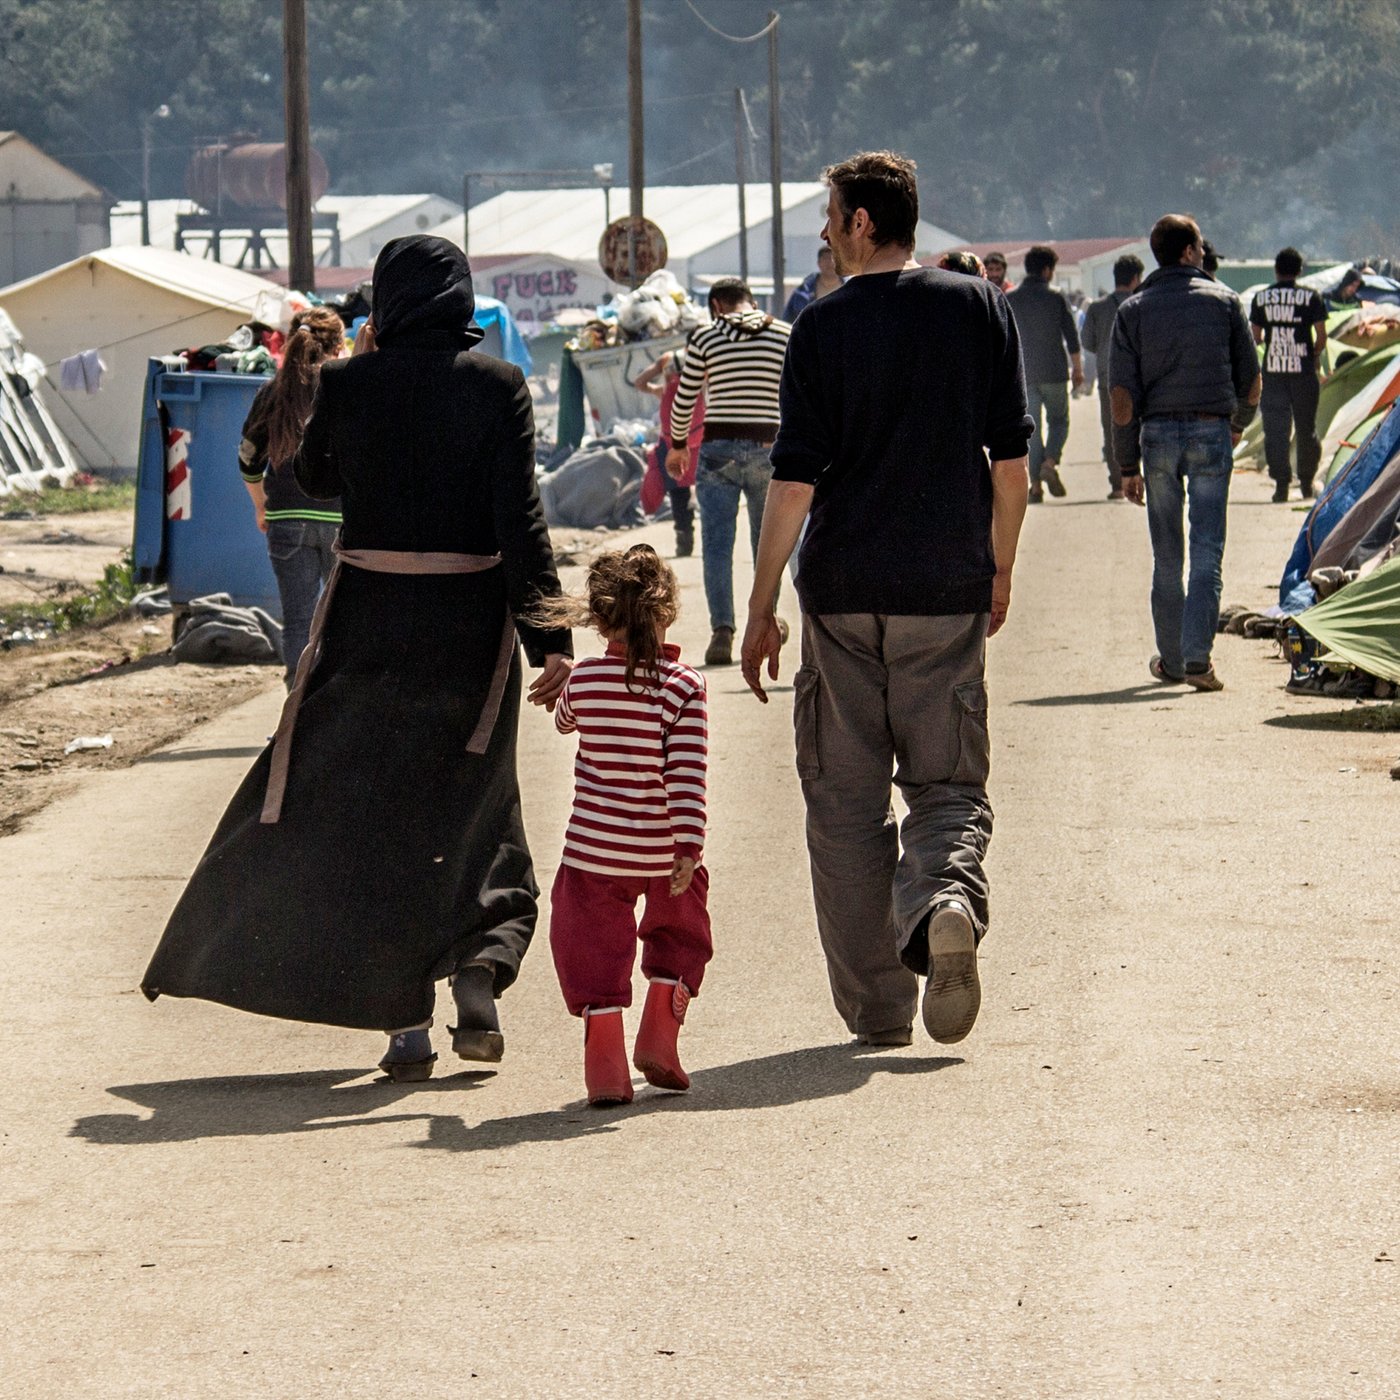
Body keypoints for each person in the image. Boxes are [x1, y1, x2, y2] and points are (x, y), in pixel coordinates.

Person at [141, 236, 574, 1080]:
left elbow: (316, 478)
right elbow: (520, 521)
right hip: (468, 631)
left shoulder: (344, 383)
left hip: (368, 626)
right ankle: (481, 965)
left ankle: (405, 1025)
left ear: (387, 299)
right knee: (475, 807)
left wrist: (363, 374)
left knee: (373, 818)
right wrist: (551, 641)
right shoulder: (498, 386)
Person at [740, 150, 1032, 1048]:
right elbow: (1011, 466)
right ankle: (945, 901)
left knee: (844, 804)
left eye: (831, 215)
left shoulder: (820, 327)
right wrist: (999, 567)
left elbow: (794, 482)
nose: (826, 232)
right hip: (945, 587)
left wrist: (760, 605)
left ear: (861, 221)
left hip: (842, 595)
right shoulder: (979, 305)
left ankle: (878, 1010)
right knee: (946, 784)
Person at [539, 544, 710, 1106]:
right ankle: (660, 1034)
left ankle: (606, 1069)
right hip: (663, 851)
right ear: (667, 613)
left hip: (594, 852)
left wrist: (574, 686)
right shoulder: (683, 687)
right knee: (680, 934)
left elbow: (565, 721)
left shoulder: (585, 681)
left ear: (598, 618)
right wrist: (688, 845)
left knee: (590, 946)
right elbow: (686, 774)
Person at [1110, 213, 1261, 692]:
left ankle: (1172, 662)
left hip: (1156, 438)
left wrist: (1126, 465)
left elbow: (1122, 397)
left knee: (1167, 556)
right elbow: (1251, 381)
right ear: (1191, 251)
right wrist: (1237, 425)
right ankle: (1198, 659)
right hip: (1211, 431)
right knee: (1207, 551)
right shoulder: (1225, 302)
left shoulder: (1132, 310)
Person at [669, 277, 791, 665]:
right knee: (766, 542)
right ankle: (767, 618)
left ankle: (722, 631)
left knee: (717, 544)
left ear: (717, 306)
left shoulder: (706, 337)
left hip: (718, 449)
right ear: (751, 302)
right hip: (769, 447)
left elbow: (685, 396)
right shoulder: (785, 335)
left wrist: (677, 445)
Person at [238, 306, 347, 683]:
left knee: (299, 622)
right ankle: (334, 707)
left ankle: (297, 708)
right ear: (338, 347)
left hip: (285, 519)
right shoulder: (347, 388)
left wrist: (261, 506)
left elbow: (248, 457)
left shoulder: (273, 391)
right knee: (342, 621)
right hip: (341, 522)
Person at [1006, 245, 1084, 502]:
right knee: (1059, 421)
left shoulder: (1011, 298)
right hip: (1055, 373)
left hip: (1025, 376)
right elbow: (1071, 336)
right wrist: (1078, 370)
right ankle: (1050, 463)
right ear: (1047, 270)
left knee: (1032, 430)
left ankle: (1036, 486)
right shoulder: (1056, 296)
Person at [1251, 247, 1328, 502]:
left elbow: (1256, 337)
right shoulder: (1311, 297)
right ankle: (1306, 483)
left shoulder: (1262, 298)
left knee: (1276, 431)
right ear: (1299, 271)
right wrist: (1313, 355)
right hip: (1304, 374)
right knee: (1307, 429)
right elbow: (1321, 336)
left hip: (1273, 375)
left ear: (1276, 270)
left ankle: (1281, 486)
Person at [1079, 253, 1144, 500]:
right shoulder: (1143, 303)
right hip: (1143, 377)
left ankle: (1118, 484)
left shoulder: (1097, 308)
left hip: (1109, 378)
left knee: (1113, 429)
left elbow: (1087, 342)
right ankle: (1143, 478)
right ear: (1136, 278)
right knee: (1144, 427)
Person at [634, 349, 703, 556]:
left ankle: (684, 541)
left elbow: (639, 382)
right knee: (709, 487)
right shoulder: (700, 360)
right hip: (699, 438)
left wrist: (657, 386)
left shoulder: (665, 363)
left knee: (678, 490)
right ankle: (713, 539)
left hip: (671, 443)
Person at [783, 245, 843, 320]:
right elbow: (789, 320)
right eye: (826, 259)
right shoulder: (803, 293)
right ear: (819, 263)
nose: (830, 263)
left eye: (833, 259)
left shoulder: (850, 288)